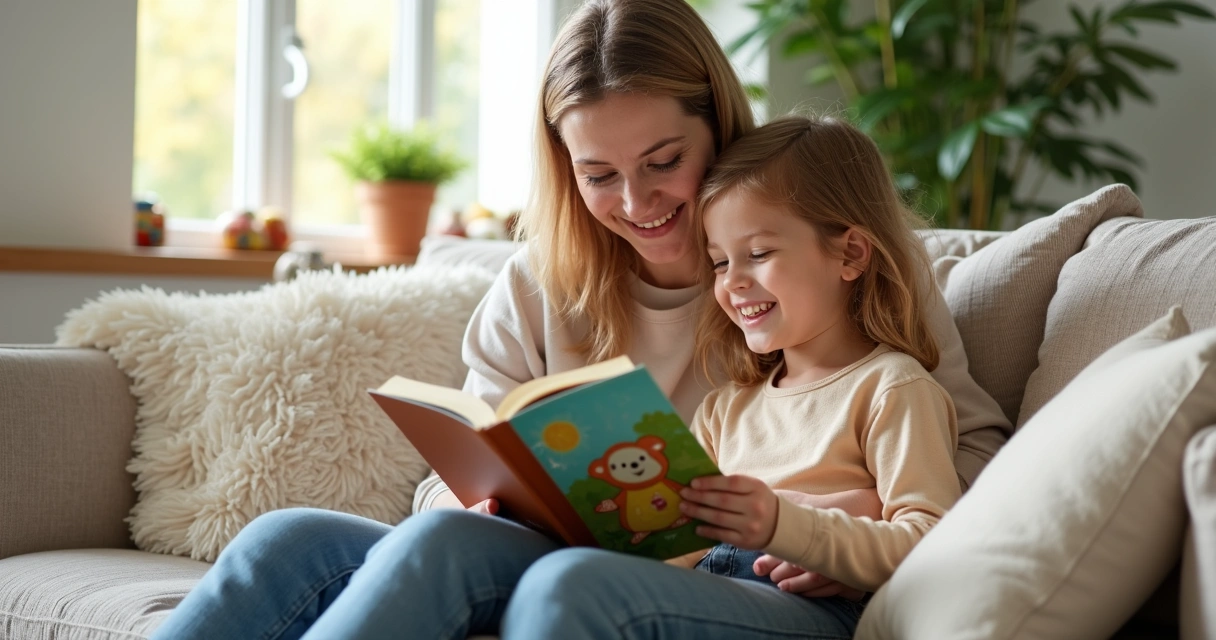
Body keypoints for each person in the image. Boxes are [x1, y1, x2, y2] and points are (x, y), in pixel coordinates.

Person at [149, 1, 1010, 639]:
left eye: (665, 161)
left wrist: (830, 520)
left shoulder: (830, 261)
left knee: (536, 575)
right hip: (600, 553)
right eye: (599, 175)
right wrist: (484, 497)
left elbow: (962, 460)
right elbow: (450, 484)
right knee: (284, 541)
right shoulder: (537, 285)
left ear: (718, 125)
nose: (638, 203)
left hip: (757, 578)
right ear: (566, 171)